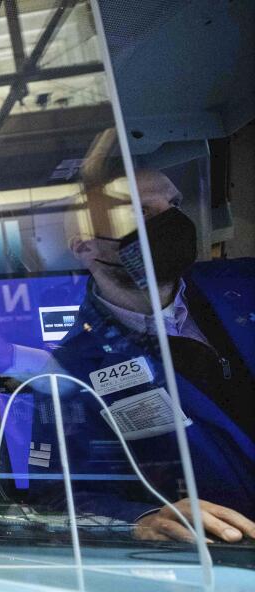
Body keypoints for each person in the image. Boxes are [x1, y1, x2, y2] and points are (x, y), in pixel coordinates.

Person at [37, 168, 255, 542]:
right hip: (231, 553)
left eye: (174, 205)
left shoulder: (244, 281)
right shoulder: (70, 370)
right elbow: (56, 498)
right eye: (142, 213)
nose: (172, 220)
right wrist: (141, 518)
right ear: (85, 246)